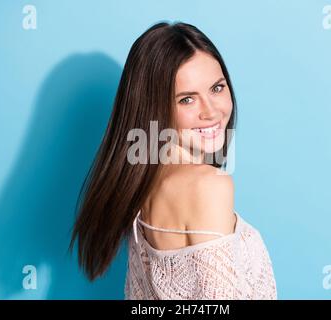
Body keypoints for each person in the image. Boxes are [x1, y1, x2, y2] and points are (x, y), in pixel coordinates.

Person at [70, 21, 277, 299]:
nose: (211, 111)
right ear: (155, 107)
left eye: (217, 88)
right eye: (187, 100)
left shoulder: (141, 186)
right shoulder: (208, 185)